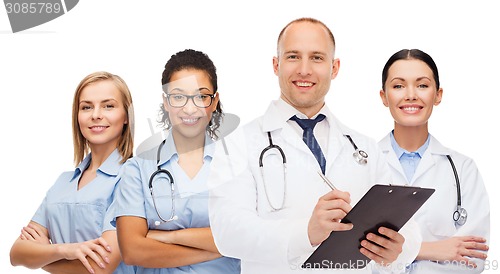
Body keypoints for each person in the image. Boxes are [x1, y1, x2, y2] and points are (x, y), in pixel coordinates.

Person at [207, 17, 420, 274]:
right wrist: (305, 233)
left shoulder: (364, 148)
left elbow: (407, 224)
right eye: (293, 57)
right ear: (276, 65)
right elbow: (228, 233)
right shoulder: (238, 145)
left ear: (335, 67)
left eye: (317, 58)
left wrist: (399, 248)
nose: (304, 70)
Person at [112, 49, 241, 273]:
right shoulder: (137, 169)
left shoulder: (237, 166)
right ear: (166, 101)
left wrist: (168, 237)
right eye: (179, 97)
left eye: (201, 96)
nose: (190, 108)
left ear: (214, 101)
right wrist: (217, 247)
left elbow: (245, 237)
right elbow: (133, 251)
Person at [10, 71, 136, 274]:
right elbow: (16, 254)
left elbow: (101, 265)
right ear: (77, 116)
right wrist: (65, 250)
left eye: (108, 106)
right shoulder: (63, 182)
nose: (96, 114)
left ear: (126, 117)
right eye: (86, 107)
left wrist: (42, 257)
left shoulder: (132, 178)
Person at [378, 49, 490, 273]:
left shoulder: (463, 169)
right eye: (398, 86)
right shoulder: (365, 162)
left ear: (438, 95)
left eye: (422, 85)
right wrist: (429, 250)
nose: (411, 95)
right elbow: (351, 256)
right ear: (384, 97)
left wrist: (395, 254)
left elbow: (473, 259)